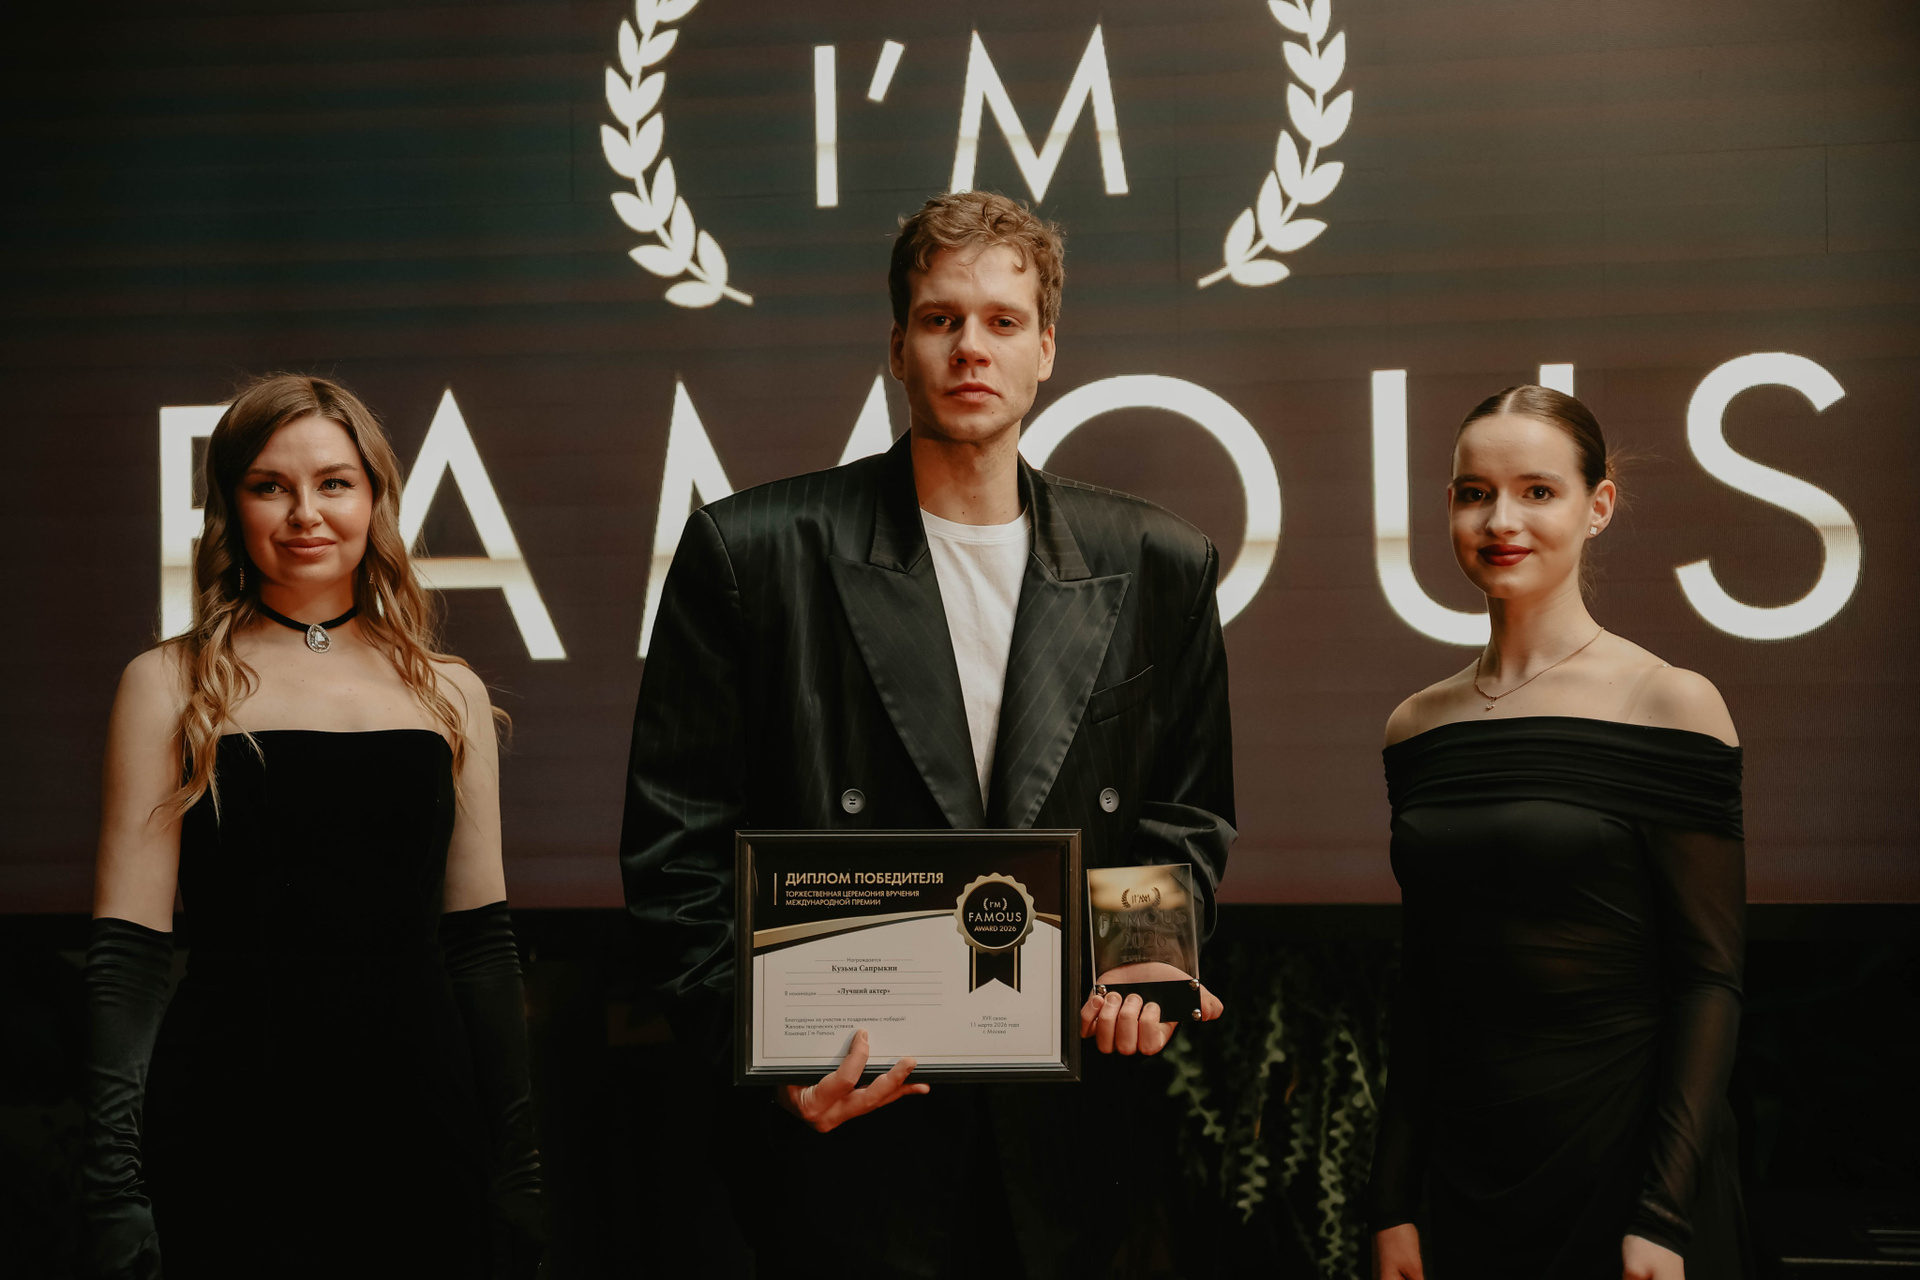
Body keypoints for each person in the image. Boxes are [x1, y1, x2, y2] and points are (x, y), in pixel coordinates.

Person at [620, 190, 1232, 1277]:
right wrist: (769, 1060)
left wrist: (1145, 969)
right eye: (941, 318)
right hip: (849, 1128)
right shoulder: (752, 553)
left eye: (1002, 321)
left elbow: (1180, 809)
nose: (970, 348)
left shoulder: (1158, 561)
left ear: (1047, 347)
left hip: (1065, 1134)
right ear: (898, 344)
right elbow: (676, 847)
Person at [80, 374, 546, 1279]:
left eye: (334, 482)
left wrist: (519, 1162)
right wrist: (111, 1187)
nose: (306, 513)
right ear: (231, 506)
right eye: (270, 486)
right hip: (227, 1115)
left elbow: (482, 949)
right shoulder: (167, 684)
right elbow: (127, 960)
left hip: (423, 1119)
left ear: (375, 499)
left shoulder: (449, 691)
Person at [1366, 385, 1751, 1280]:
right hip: (1466, 1182)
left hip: (1627, 1176)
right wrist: (1391, 1203)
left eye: (1537, 491)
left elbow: (1710, 979)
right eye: (1475, 494)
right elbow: (1425, 990)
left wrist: (1663, 1214)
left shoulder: (1671, 702)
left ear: (1598, 506)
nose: (1501, 520)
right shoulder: (1416, 726)